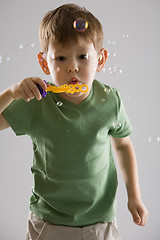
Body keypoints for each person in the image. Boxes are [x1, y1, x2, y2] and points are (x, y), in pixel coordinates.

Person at [0, 3, 148, 240]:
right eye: (60, 57)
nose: (72, 66)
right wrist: (11, 93)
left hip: (100, 223)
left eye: (82, 56)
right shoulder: (38, 100)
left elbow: (122, 144)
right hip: (48, 223)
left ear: (100, 59)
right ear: (43, 62)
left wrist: (134, 195)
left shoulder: (110, 100)